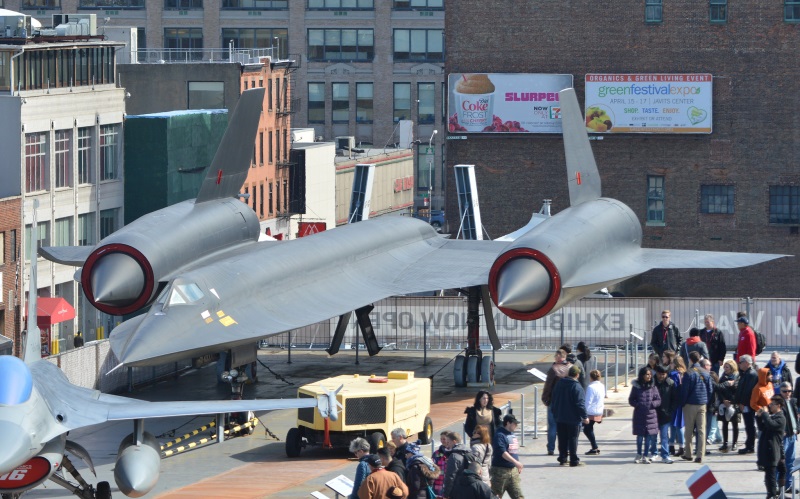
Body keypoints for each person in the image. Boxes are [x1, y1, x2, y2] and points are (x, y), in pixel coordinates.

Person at [551, 365, 590, 467]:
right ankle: (574, 459)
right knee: (573, 438)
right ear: (577, 375)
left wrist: (555, 412)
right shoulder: (577, 386)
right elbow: (580, 403)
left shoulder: (559, 384)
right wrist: (585, 417)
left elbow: (554, 398)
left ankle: (563, 458)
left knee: (562, 438)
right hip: (573, 418)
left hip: (560, 416)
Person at [680, 351, 714, 463]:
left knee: (689, 430)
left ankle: (688, 453)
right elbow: (710, 390)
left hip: (690, 404)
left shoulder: (688, 373)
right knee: (701, 430)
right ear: (699, 359)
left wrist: (683, 403)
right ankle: (700, 454)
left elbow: (684, 391)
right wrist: (706, 400)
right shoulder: (706, 372)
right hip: (702, 404)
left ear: (690, 359)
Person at [541, 348, 571, 456]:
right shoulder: (571, 367)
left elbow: (548, 386)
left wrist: (545, 398)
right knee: (564, 426)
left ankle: (551, 448)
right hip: (567, 402)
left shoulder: (553, 369)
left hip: (554, 401)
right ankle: (565, 448)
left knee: (552, 425)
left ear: (559, 357)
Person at [756, 396, 786, 499]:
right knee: (768, 475)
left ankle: (773, 494)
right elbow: (762, 427)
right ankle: (771, 493)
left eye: (772, 404)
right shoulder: (772, 416)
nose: (770, 406)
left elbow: (771, 425)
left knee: (771, 476)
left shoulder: (781, 418)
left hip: (773, 450)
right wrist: (759, 416)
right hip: (767, 449)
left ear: (778, 406)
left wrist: (764, 414)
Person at [629, 366, 661, 463]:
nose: (649, 376)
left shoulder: (653, 387)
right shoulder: (636, 387)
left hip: (651, 415)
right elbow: (631, 399)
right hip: (639, 415)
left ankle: (646, 455)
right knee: (639, 437)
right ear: (642, 375)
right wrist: (638, 405)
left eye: (650, 374)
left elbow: (658, 399)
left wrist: (653, 404)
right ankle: (639, 454)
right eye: (647, 374)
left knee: (648, 438)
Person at [490, 414, 524, 499]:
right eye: (514, 423)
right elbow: (502, 452)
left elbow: (513, 452)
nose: (516, 425)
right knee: (495, 496)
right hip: (500, 472)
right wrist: (516, 462)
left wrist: (517, 465)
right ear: (508, 423)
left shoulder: (512, 434)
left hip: (513, 471)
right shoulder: (500, 435)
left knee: (518, 496)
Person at [735, 355, 760, 455]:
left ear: (746, 363)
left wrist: (743, 403)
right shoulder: (746, 373)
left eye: (741, 362)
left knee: (749, 425)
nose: (739, 364)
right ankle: (749, 445)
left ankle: (750, 446)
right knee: (748, 424)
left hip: (748, 404)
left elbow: (747, 391)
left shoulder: (751, 374)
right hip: (747, 403)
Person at [653, 364, 677, 463]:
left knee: (664, 436)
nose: (661, 376)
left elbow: (674, 399)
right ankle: (653, 453)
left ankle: (665, 455)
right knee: (653, 436)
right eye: (659, 374)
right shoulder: (652, 383)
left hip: (666, 414)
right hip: (653, 413)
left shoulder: (670, 383)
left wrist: (670, 411)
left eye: (663, 374)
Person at [778, 381, 799, 494]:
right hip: (783, 437)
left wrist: (797, 428)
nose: (787, 393)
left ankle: (789, 485)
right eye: (785, 391)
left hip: (792, 436)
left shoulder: (792, 401)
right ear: (780, 391)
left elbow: (796, 416)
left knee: (790, 462)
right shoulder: (777, 403)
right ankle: (779, 487)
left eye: (789, 391)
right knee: (780, 462)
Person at [716, 359, 740, 453]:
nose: (725, 369)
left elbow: (737, 390)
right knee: (724, 423)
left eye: (727, 367)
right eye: (724, 367)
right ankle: (725, 443)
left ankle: (734, 443)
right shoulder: (723, 376)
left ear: (732, 367)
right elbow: (719, 389)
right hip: (724, 402)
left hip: (733, 403)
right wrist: (723, 400)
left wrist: (731, 401)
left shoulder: (737, 376)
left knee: (735, 424)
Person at [701, 358, 722, 446]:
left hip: (703, 404)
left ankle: (717, 437)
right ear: (706, 366)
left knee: (710, 424)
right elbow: (716, 388)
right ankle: (703, 446)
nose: (710, 367)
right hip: (708, 405)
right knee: (707, 426)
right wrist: (727, 384)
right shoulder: (708, 377)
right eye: (709, 365)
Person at [583, 369, 605, 455]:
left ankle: (594, 447)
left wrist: (584, 413)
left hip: (591, 411)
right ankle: (594, 447)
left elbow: (588, 401)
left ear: (591, 377)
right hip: (599, 410)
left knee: (587, 429)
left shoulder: (590, 387)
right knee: (589, 428)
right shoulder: (602, 386)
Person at [441, 432, 469, 499]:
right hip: (467, 488)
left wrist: (445, 494)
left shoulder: (454, 456)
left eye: (448, 443)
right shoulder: (467, 451)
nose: (446, 445)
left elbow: (450, 476)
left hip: (456, 490)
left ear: (454, 442)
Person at [668, 356, 687, 456]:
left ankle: (677, 446)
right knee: (677, 424)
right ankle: (676, 446)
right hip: (682, 401)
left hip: (674, 401)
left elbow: (672, 387)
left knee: (675, 424)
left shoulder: (673, 374)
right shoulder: (684, 373)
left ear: (675, 364)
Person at [431, 432, 451, 497]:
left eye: (444, 439)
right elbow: (432, 467)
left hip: (449, 485)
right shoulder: (436, 453)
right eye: (441, 439)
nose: (442, 441)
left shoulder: (453, 453)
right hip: (438, 485)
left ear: (449, 440)